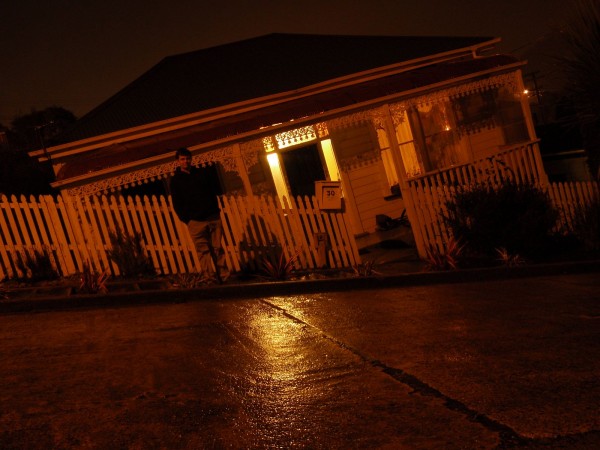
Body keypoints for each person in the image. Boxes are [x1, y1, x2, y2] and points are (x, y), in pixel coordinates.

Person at [169, 147, 229, 283]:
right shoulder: (176, 181)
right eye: (182, 159)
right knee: (203, 251)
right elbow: (177, 203)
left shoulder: (201, 174)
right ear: (178, 161)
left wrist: (215, 209)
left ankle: (224, 276)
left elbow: (212, 192)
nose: (186, 161)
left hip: (212, 216)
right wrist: (187, 220)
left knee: (218, 248)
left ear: (191, 159)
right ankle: (209, 278)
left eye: (188, 158)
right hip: (195, 221)